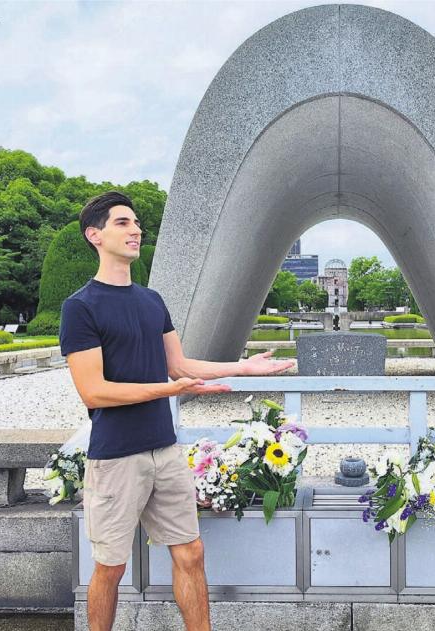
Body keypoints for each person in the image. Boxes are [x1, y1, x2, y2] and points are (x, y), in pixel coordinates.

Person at [59, 191, 294, 631]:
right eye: (123, 223)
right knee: (110, 568)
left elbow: (181, 365)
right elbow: (94, 392)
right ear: (95, 235)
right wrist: (169, 389)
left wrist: (244, 366)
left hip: (165, 451)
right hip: (115, 457)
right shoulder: (80, 307)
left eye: (136, 224)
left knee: (191, 552)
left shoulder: (152, 300)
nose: (136, 230)